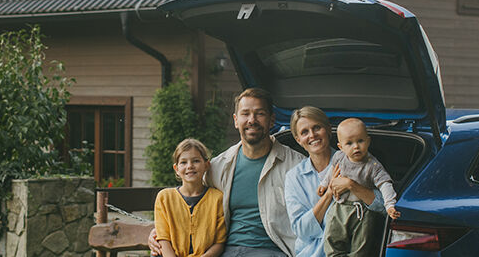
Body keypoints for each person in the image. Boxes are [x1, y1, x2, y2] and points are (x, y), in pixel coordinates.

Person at [151, 88, 303, 257]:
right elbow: (191, 203)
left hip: (274, 251)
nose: (252, 120)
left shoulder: (295, 165)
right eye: (245, 114)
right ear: (236, 120)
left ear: (271, 120)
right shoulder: (218, 167)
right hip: (226, 251)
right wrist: (158, 233)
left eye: (259, 113)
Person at [283, 107, 385, 257]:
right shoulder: (294, 178)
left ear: (329, 129)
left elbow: (383, 207)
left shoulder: (360, 161)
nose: (312, 135)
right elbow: (301, 230)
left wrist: (351, 185)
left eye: (317, 127)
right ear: (298, 140)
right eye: (305, 132)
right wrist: (329, 193)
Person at [320, 118, 400, 256]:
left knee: (361, 247)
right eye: (349, 143)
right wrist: (324, 184)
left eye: (360, 141)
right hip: (340, 207)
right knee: (332, 240)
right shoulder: (339, 157)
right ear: (341, 147)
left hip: (362, 211)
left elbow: (385, 185)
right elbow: (332, 171)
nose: (356, 146)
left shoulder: (373, 166)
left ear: (368, 141)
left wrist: (389, 205)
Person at [154, 139, 227, 257]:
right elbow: (163, 239)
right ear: (176, 169)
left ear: (206, 165)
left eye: (196, 161)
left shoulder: (217, 198)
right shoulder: (165, 198)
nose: (190, 166)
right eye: (183, 162)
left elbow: (219, 242)